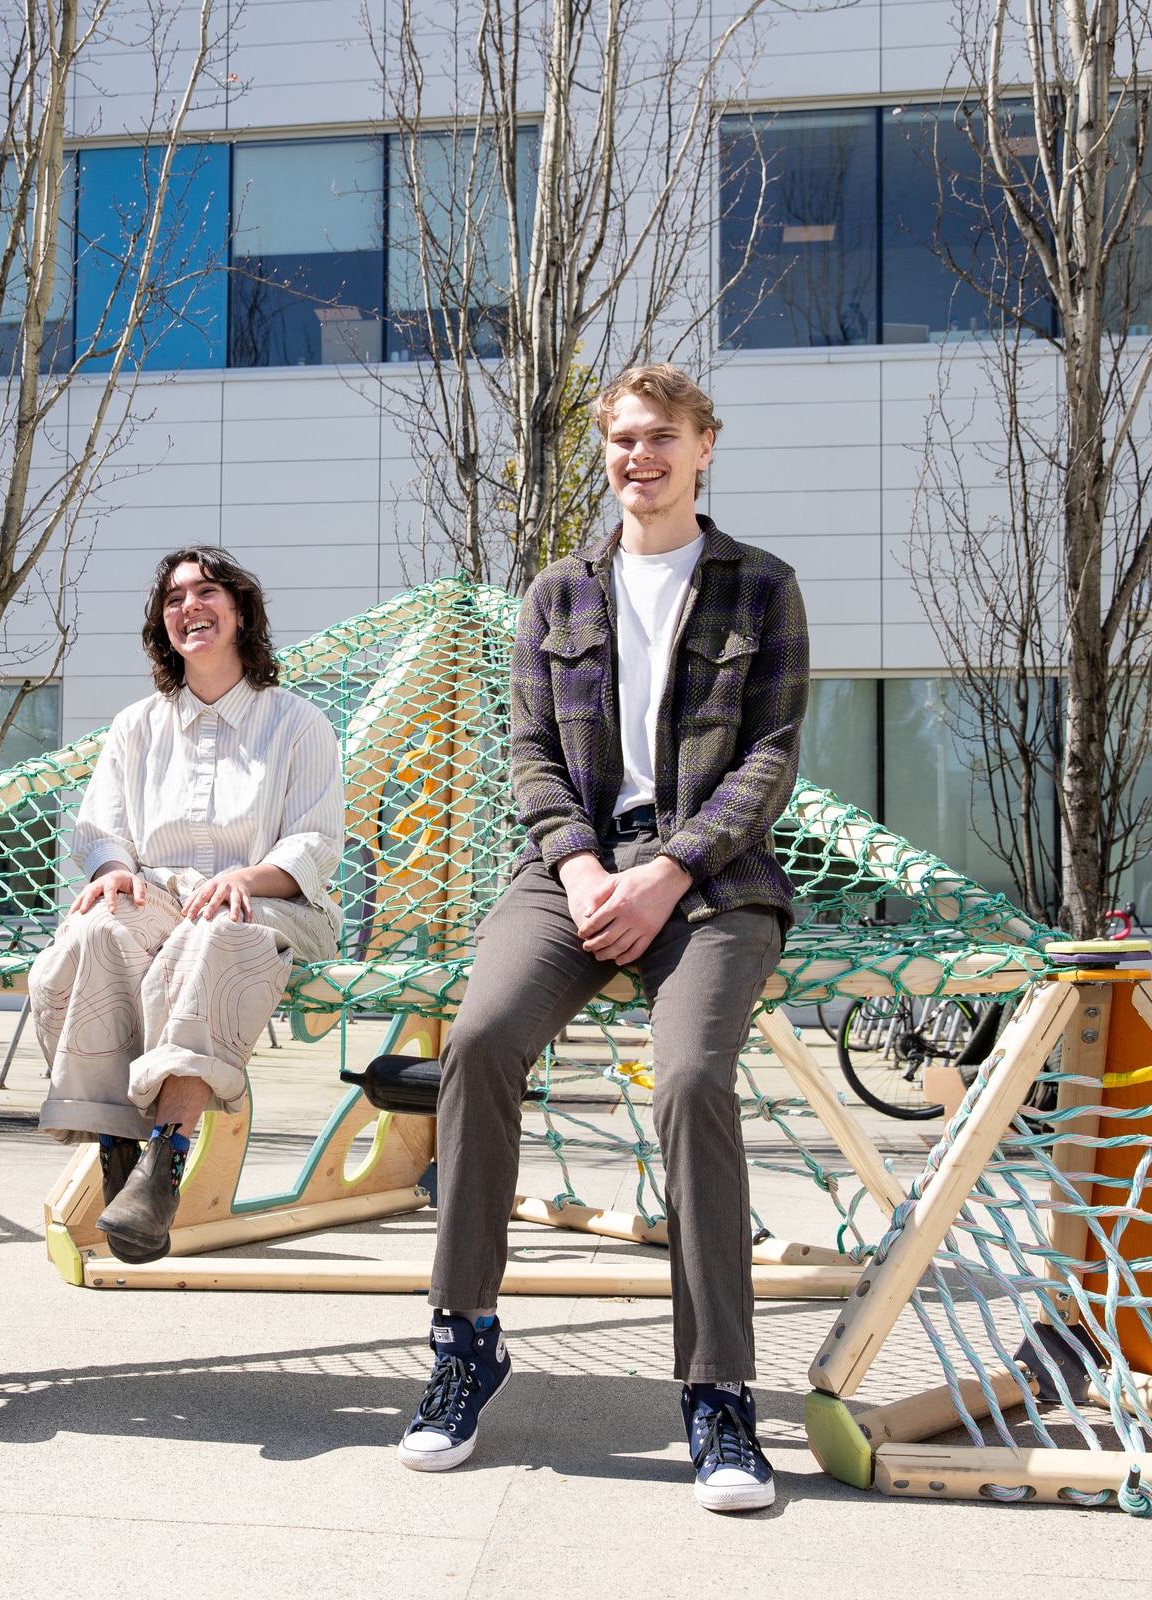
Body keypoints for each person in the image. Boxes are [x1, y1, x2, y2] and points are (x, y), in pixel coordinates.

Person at [394, 365, 809, 1513]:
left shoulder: (762, 587)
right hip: (567, 868)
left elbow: (768, 760)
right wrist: (582, 871)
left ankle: (719, 1395)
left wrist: (667, 873)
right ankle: (464, 1340)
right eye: (623, 439)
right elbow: (531, 751)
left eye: (662, 437)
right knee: (478, 1041)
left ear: (706, 446)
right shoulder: (558, 593)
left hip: (713, 881)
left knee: (689, 1081)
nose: (642, 457)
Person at [29, 546, 345, 1263]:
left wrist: (251, 878)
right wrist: (110, 869)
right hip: (165, 899)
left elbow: (318, 843)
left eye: (206, 592)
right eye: (173, 599)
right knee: (99, 930)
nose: (189, 607)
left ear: (240, 613)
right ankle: (115, 1140)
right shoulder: (137, 726)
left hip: (277, 909)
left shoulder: (298, 724)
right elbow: (100, 826)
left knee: (215, 929)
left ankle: (168, 1153)